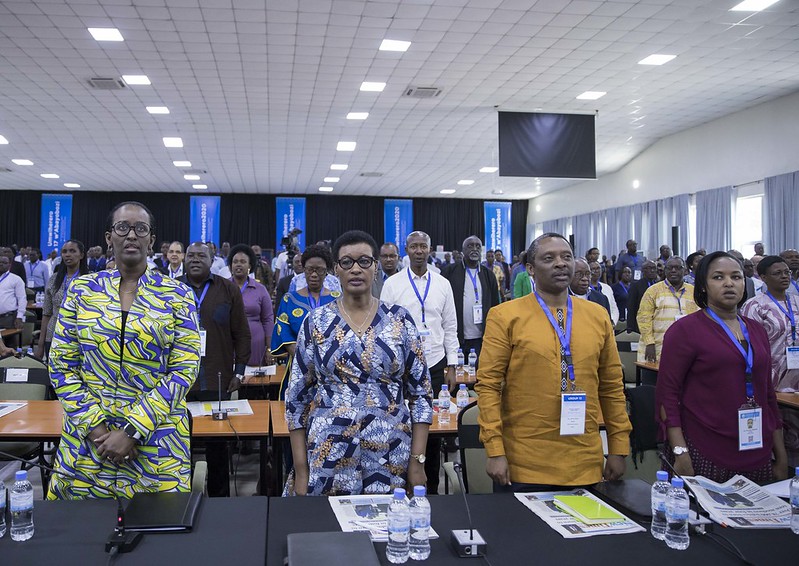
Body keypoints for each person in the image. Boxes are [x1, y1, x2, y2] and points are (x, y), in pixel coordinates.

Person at [47, 201, 201, 499]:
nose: (131, 235)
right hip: (89, 446)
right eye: (122, 228)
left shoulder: (177, 294)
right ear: (109, 237)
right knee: (77, 536)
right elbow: (62, 366)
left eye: (140, 229)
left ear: (151, 240)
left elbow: (185, 369)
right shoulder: (82, 291)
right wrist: (99, 431)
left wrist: (131, 431)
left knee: (160, 537)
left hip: (157, 444)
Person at [476, 233, 631, 490]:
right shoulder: (505, 316)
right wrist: (494, 450)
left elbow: (612, 386)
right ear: (530, 269)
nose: (560, 263)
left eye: (566, 257)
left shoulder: (597, 316)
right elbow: (488, 386)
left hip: (585, 460)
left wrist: (618, 446)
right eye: (549, 258)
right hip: (523, 463)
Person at [285, 230, 432, 496]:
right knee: (330, 534)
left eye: (364, 261)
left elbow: (421, 395)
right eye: (347, 262)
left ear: (375, 267)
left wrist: (417, 462)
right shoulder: (316, 322)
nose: (356, 269)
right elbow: (296, 400)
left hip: (390, 452)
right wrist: (302, 470)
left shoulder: (399, 320)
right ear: (335, 270)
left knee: (387, 531)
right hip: (329, 451)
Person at [656, 252, 787, 484]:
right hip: (704, 448)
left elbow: (767, 393)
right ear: (703, 286)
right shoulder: (685, 331)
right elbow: (668, 394)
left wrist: (781, 454)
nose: (729, 283)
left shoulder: (756, 330)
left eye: (736, 277)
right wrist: (680, 451)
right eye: (718, 277)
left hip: (756, 448)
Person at [382, 230, 458, 494]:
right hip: (402, 368)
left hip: (436, 364)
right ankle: (400, 486)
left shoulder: (442, 283)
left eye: (423, 246)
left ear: (429, 250)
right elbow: (385, 327)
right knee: (402, 425)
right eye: (413, 246)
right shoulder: (393, 284)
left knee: (432, 428)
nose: (418, 251)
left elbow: (450, 327)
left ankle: (431, 488)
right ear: (407, 250)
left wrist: (452, 365)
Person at [180, 242, 251, 497]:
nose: (195, 259)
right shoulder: (170, 289)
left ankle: (219, 500)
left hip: (217, 378)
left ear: (213, 261)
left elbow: (242, 333)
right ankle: (180, 497)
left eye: (201, 255)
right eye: (191, 255)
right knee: (177, 442)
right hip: (178, 381)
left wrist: (239, 370)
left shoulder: (228, 289)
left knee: (217, 445)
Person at [741, 255, 799, 466]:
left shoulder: (797, 301)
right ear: (763, 277)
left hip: (796, 375)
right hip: (771, 377)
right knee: (776, 424)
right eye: (778, 273)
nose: (784, 277)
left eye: (787, 273)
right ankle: (776, 465)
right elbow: (749, 345)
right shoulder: (754, 306)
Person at [271, 245, 340, 397]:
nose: (314, 274)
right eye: (309, 269)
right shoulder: (289, 299)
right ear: (303, 269)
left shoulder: (338, 299)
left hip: (332, 368)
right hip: (298, 366)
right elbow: (283, 329)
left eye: (319, 270)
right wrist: (303, 356)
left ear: (327, 271)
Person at [441, 235, 501, 363]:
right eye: (470, 246)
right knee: (460, 375)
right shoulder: (449, 271)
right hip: (457, 336)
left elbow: (496, 305)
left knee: (479, 373)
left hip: (482, 337)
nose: (474, 249)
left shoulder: (488, 274)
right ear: (463, 250)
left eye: (478, 246)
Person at [637, 257, 699, 364]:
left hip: (686, 350)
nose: (673, 271)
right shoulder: (653, 291)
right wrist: (649, 343)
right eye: (670, 268)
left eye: (677, 268)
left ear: (684, 271)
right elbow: (643, 318)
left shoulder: (693, 291)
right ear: (665, 271)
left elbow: (698, 319)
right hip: (656, 349)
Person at [36, 240, 89, 360]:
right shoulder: (54, 279)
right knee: (53, 375)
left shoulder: (90, 280)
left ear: (81, 255)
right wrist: (40, 344)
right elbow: (46, 313)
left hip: (78, 337)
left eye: (72, 251)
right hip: (53, 334)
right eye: (64, 251)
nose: (67, 254)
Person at [228, 244, 274, 367]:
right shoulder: (223, 287)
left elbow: (268, 320)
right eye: (235, 261)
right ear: (230, 265)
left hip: (256, 345)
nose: (238, 264)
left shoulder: (260, 289)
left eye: (243, 262)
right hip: (228, 344)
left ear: (250, 266)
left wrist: (269, 348)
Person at [626, 260, 658, 333]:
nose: (652, 271)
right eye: (650, 268)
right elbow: (631, 307)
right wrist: (630, 327)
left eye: (654, 268)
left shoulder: (658, 285)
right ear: (643, 270)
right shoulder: (636, 286)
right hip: (640, 323)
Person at [0, 253, 26, 331]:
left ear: (9, 265)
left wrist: (19, 317)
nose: (1, 264)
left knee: (8, 342)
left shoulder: (16, 279)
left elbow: (22, 299)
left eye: (4, 263)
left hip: (8, 318)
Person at [589, 260, 619, 325]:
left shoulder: (607, 288)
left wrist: (612, 322)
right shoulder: (584, 288)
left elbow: (614, 308)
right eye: (593, 269)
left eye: (598, 268)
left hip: (608, 324)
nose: (596, 271)